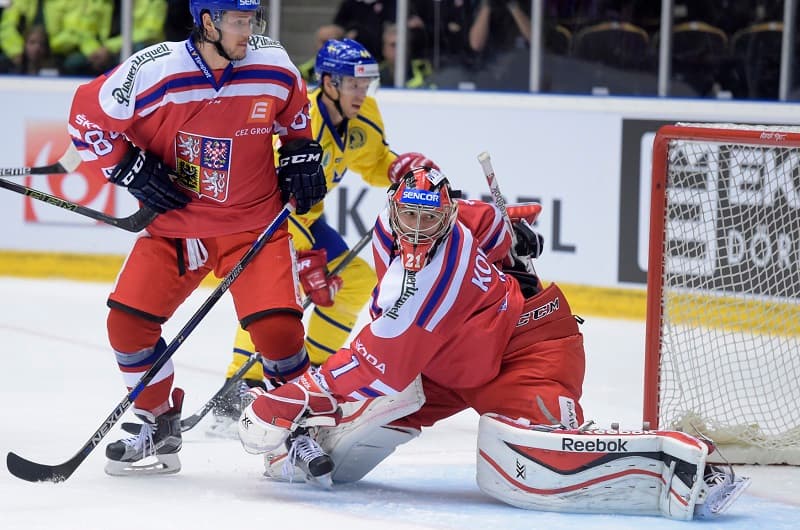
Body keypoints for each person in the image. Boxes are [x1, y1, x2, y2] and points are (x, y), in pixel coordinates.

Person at [237, 163, 750, 518]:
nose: (417, 230)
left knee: (528, 458)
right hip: (445, 364)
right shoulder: (438, 221)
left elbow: (378, 366)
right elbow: (486, 223)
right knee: (328, 457)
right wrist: (511, 235)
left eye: (429, 218)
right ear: (395, 211)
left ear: (444, 217)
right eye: (409, 216)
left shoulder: (427, 283)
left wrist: (287, 397)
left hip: (524, 348)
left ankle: (675, 464)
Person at [66, 0, 326, 476]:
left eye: (251, 21)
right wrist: (126, 166)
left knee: (277, 334)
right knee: (127, 327)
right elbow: (86, 118)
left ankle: (298, 431)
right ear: (207, 22)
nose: (248, 31)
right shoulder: (155, 69)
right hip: (177, 226)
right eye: (238, 22)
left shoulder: (272, 64)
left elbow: (294, 119)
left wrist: (301, 153)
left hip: (253, 226)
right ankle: (158, 422)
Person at [209, 38, 437, 436]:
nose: (361, 93)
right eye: (353, 85)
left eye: (366, 85)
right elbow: (271, 188)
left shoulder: (365, 114)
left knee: (356, 282)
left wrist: (398, 167)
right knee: (275, 296)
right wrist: (300, 258)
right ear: (329, 82)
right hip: (267, 218)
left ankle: (307, 379)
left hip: (307, 220)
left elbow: (374, 159)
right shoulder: (305, 118)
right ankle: (239, 387)